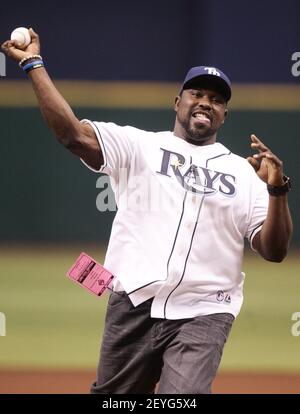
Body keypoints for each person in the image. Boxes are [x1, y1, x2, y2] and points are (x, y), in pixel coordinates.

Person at [2, 29, 293, 394]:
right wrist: (33, 64)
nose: (206, 102)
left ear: (225, 113)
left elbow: (274, 250)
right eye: (197, 93)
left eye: (216, 99)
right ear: (177, 101)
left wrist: (276, 190)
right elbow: (72, 135)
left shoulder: (243, 173)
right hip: (133, 303)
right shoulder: (140, 146)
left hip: (205, 311)